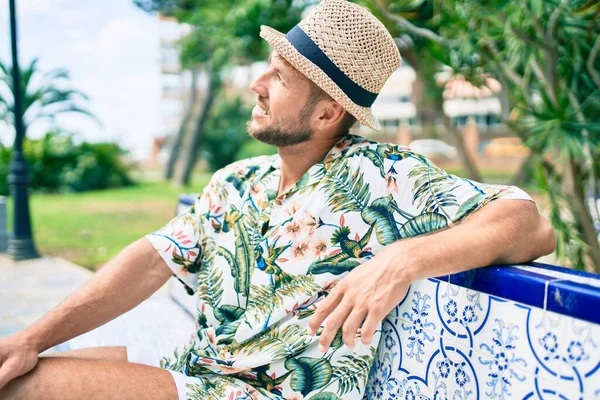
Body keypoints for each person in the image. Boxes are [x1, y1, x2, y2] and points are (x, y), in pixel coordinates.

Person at [0, 0, 555, 399]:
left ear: (327, 113)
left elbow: (530, 224)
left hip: (261, 395)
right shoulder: (237, 182)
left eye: (282, 78)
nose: (257, 85)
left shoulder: (383, 176)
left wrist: (405, 258)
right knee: (17, 367)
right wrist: (30, 337)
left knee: (29, 389)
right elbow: (150, 260)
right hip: (198, 374)